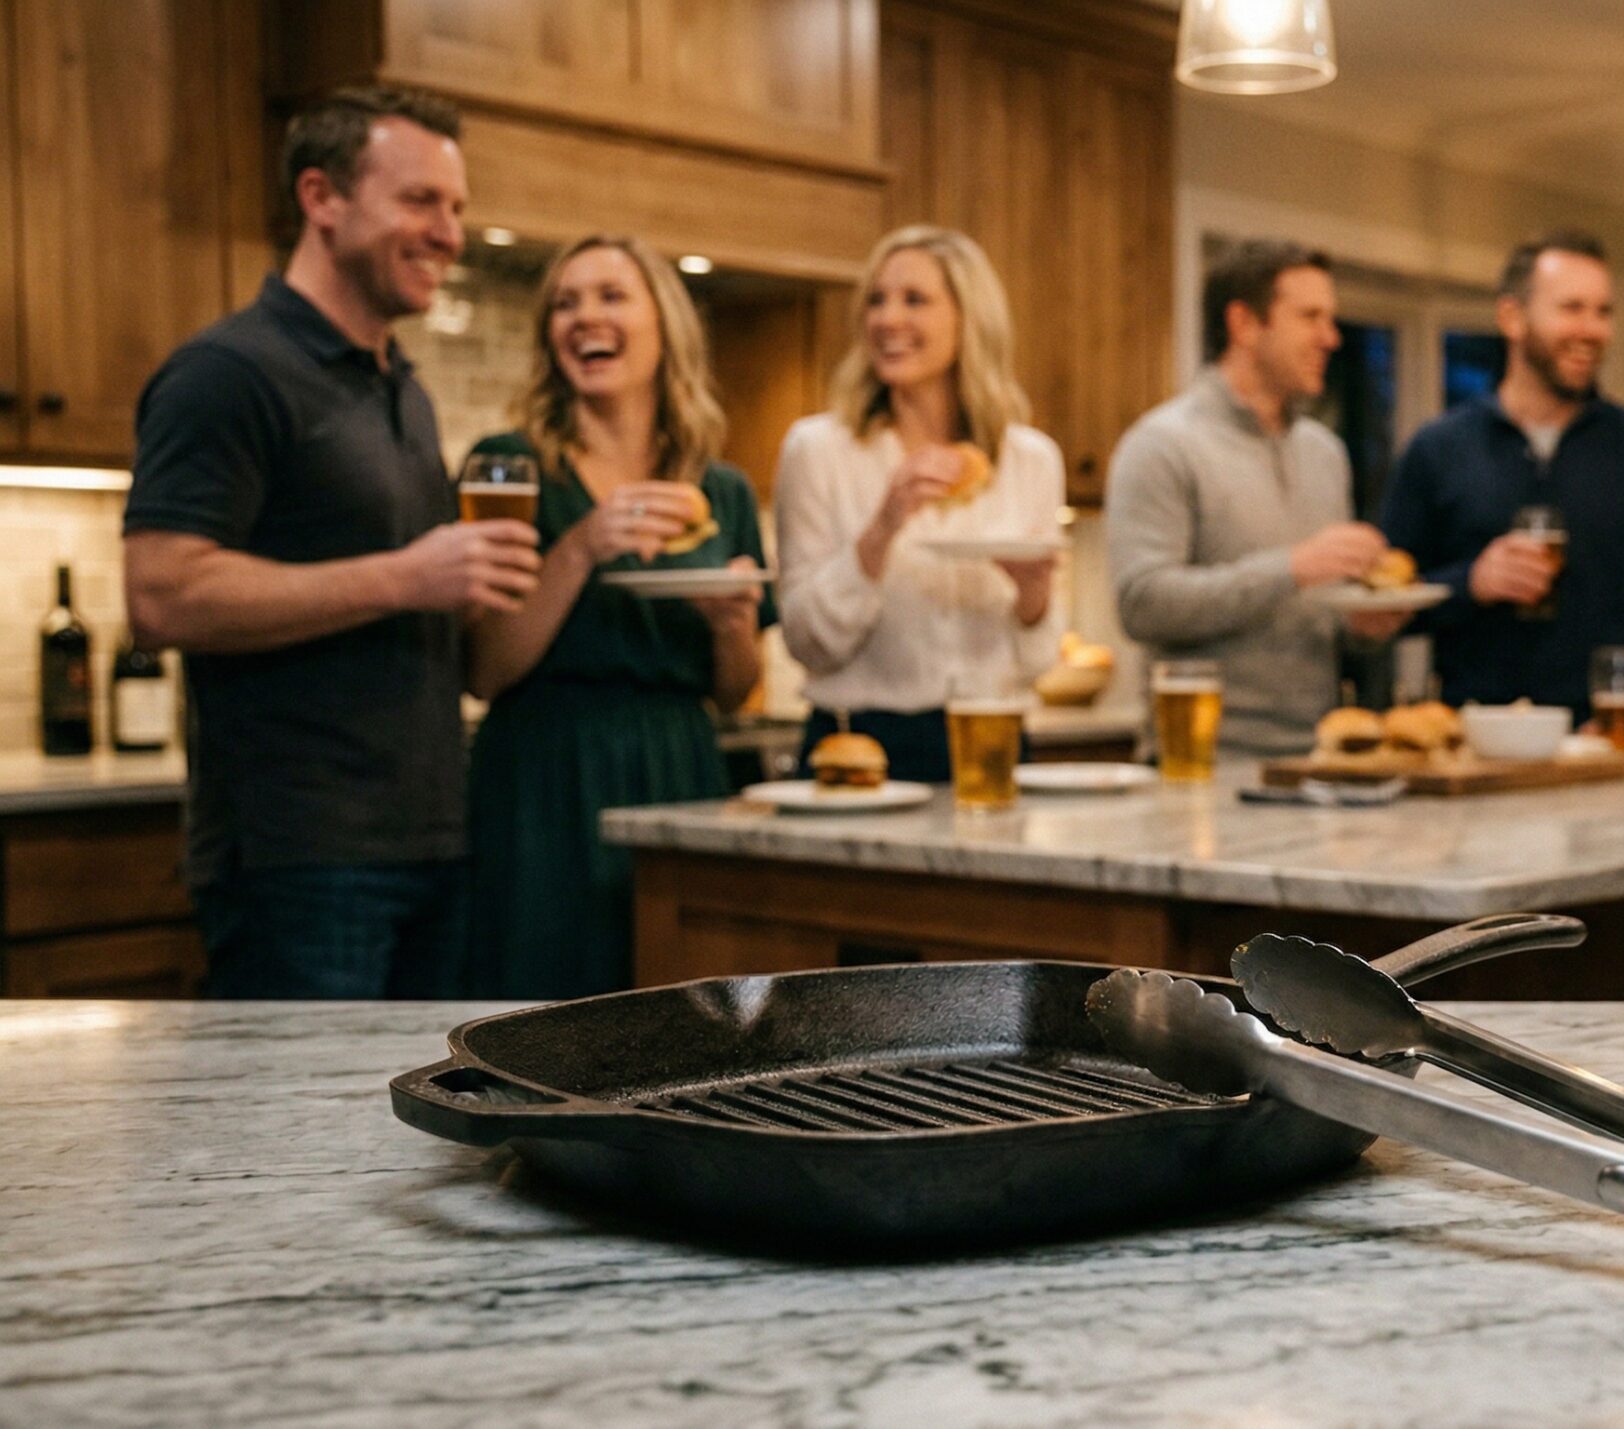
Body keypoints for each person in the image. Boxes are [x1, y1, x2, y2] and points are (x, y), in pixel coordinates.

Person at [122, 87, 539, 999]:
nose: (450, 233)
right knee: (306, 1142)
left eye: (457, 207)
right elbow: (160, 595)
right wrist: (405, 575)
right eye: (420, 201)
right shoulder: (227, 373)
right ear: (322, 198)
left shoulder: (402, 386)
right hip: (298, 858)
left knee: (418, 1145)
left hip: (431, 840)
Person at [460, 235, 773, 1001]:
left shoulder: (720, 488)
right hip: (544, 776)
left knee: (676, 1008)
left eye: (609, 296)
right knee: (540, 1005)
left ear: (664, 325)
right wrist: (581, 546)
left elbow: (735, 691)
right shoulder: (508, 468)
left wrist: (732, 623)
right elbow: (485, 669)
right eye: (565, 302)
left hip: (682, 769)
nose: (583, 317)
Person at [1379, 230, 1624, 742]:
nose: (1592, 329)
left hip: (1607, 748)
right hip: (1475, 748)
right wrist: (1472, 583)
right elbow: (1387, 607)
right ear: (1512, 318)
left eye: (1603, 312)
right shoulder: (1439, 448)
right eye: (1572, 308)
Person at [775, 226, 1063, 782]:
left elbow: (1035, 663)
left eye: (915, 300)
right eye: (876, 301)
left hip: (993, 743)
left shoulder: (1030, 460)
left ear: (969, 318)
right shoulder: (818, 450)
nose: (887, 320)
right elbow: (808, 642)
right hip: (857, 748)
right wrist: (882, 528)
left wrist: (1034, 594)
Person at [1107, 239, 1406, 754]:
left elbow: (1311, 615)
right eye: (1310, 317)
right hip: (1203, 759)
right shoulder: (1162, 444)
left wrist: (1361, 626)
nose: (1331, 338)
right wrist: (1292, 567)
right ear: (1244, 324)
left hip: (1316, 756)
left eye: (1331, 319)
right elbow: (1143, 604)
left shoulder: (1324, 454)